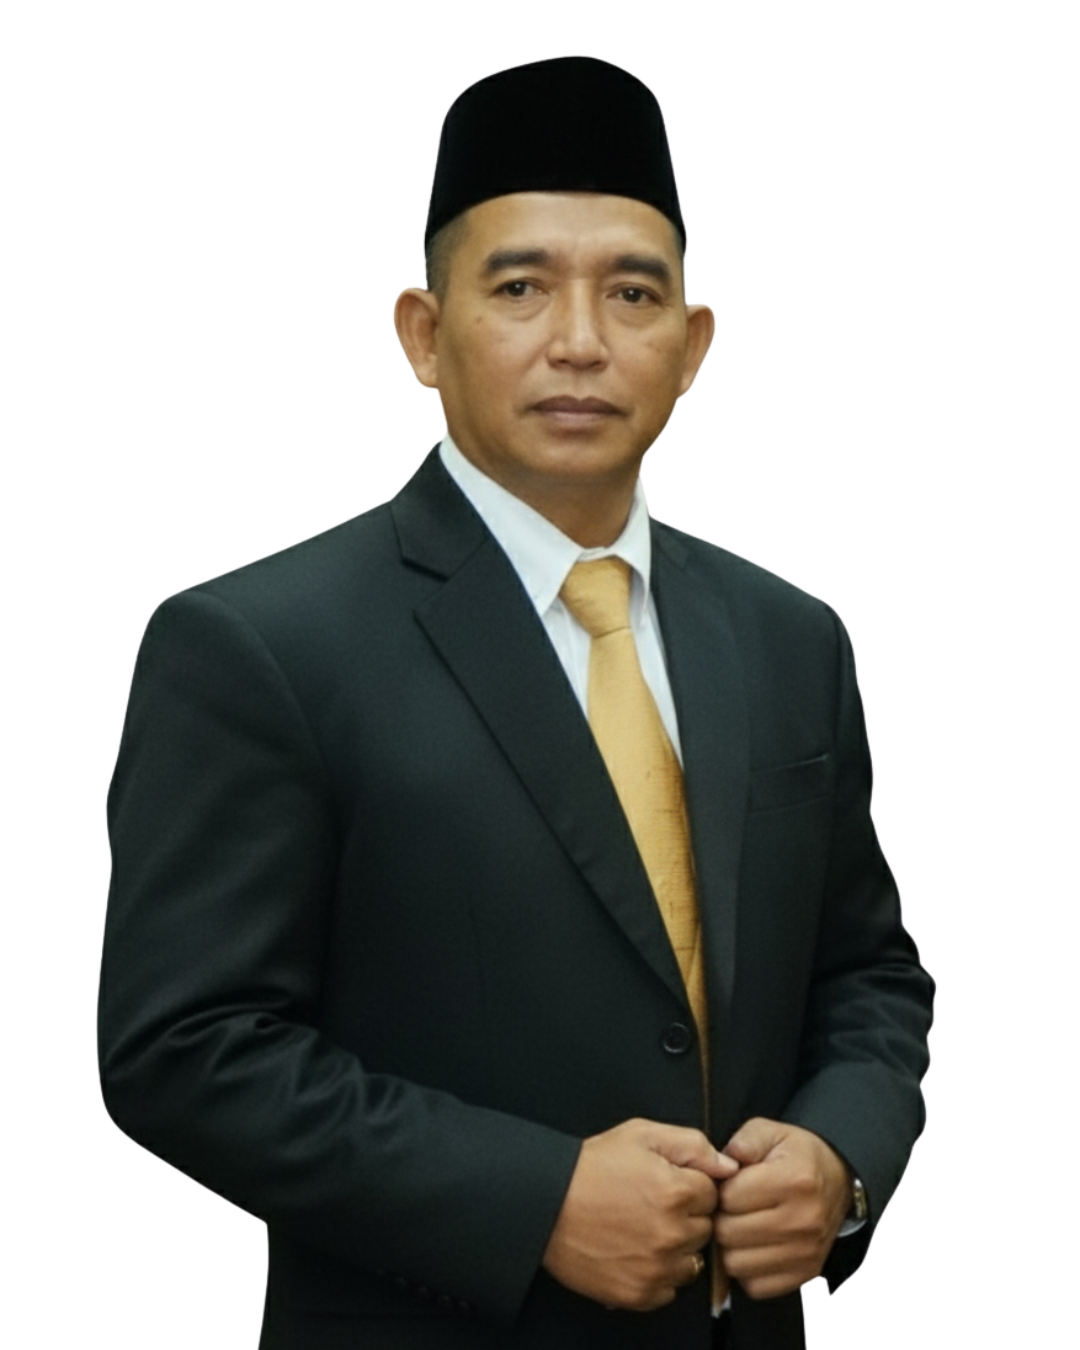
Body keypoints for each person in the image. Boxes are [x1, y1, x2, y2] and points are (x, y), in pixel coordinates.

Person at [99, 56, 934, 1350]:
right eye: (521, 286)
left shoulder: (790, 636)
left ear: (693, 347)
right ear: (423, 335)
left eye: (632, 293)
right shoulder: (258, 642)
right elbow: (184, 1045)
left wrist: (842, 1159)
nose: (581, 340)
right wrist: (531, 1201)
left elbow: (869, 971)